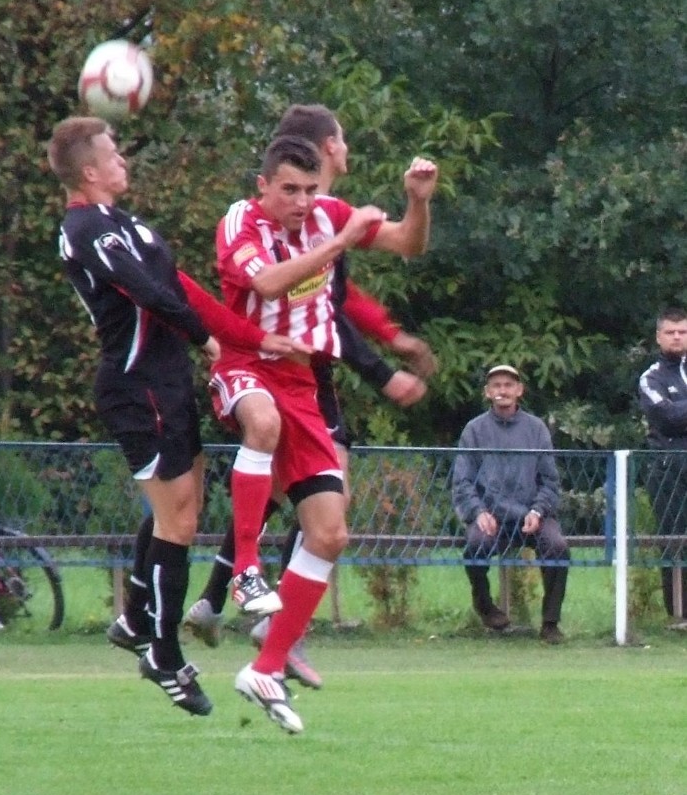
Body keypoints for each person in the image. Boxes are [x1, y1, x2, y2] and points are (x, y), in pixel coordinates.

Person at [46, 116, 303, 717]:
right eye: (114, 155)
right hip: (136, 386)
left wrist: (245, 338)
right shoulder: (85, 229)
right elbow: (149, 294)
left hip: (165, 383)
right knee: (177, 521)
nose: (123, 162)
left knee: (181, 512)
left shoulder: (125, 223)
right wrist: (206, 340)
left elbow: (179, 286)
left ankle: (136, 618)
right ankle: (161, 652)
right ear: (90, 172)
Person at [183, 104, 437, 688]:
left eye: (307, 191)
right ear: (264, 186)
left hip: (305, 380)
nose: (301, 202)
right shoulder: (241, 222)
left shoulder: (329, 215)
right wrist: (344, 241)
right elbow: (268, 282)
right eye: (289, 190)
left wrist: (418, 201)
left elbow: (406, 244)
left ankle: (267, 660)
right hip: (249, 362)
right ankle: (244, 572)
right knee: (262, 426)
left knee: (330, 529)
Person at [451, 364, 570, 644]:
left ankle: (550, 622)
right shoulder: (474, 430)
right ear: (487, 392)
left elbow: (550, 481)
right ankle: (484, 605)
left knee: (557, 546)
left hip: (532, 513)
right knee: (475, 546)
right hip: (491, 515)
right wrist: (478, 512)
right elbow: (462, 481)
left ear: (519, 390)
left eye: (508, 385)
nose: (502, 391)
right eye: (496, 386)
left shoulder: (536, 429)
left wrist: (538, 510)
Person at [637, 307, 687, 627]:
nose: (677, 337)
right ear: (659, 336)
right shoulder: (650, 377)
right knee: (673, 538)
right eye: (670, 332)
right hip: (668, 467)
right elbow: (665, 418)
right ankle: (679, 614)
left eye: (682, 331)